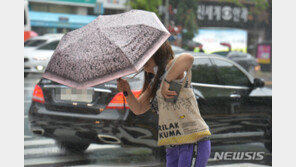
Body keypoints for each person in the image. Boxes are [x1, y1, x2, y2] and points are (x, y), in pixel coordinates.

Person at [117, 41, 211, 167]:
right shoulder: (155, 83)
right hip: (173, 144)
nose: (141, 60)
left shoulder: (171, 69)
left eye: (144, 55)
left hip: (192, 140)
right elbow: (138, 108)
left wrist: (167, 81)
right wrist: (127, 91)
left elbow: (188, 58)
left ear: (155, 53)